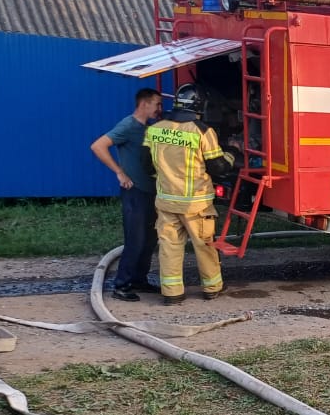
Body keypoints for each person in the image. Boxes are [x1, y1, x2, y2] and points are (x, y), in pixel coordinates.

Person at [143, 85, 234, 304]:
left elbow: (146, 165)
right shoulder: (202, 131)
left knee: (169, 247)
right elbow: (218, 168)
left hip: (166, 201)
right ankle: (212, 287)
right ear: (199, 106)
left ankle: (172, 294)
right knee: (204, 246)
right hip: (196, 204)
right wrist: (231, 155)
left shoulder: (154, 128)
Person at [89, 88, 164, 301]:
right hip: (135, 193)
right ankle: (121, 285)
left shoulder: (148, 128)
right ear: (144, 104)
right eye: (157, 104)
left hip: (150, 192)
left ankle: (139, 280)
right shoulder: (128, 125)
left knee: (150, 239)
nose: (160, 109)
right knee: (136, 240)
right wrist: (119, 172)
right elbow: (98, 146)